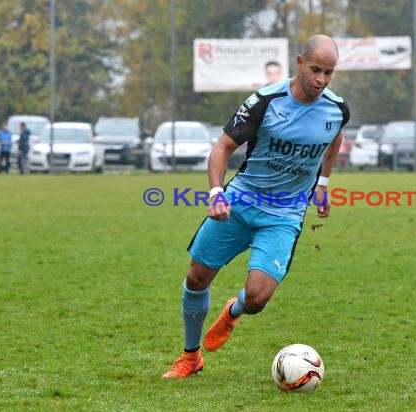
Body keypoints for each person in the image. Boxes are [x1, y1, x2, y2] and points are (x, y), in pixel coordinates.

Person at [162, 34, 349, 379]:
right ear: (299, 63)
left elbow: (334, 138)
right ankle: (190, 356)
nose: (322, 80)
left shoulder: (336, 109)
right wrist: (217, 192)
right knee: (197, 277)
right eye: (316, 70)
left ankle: (233, 311)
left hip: (285, 213)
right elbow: (222, 148)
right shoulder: (266, 101)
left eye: (330, 73)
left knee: (258, 298)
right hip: (241, 201)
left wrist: (322, 183)